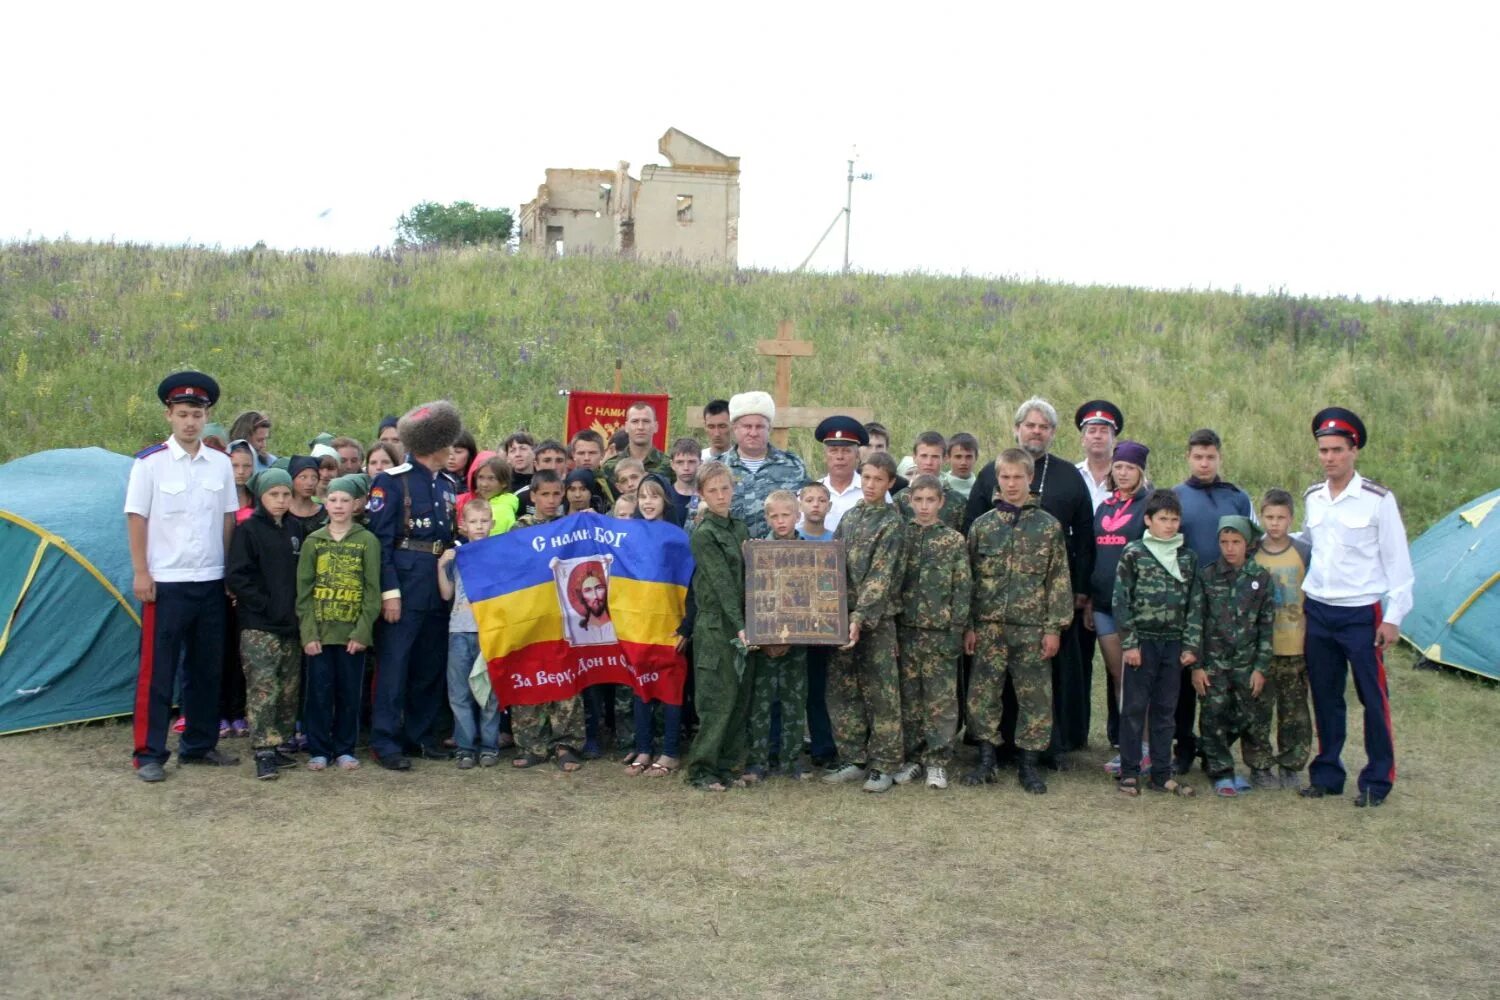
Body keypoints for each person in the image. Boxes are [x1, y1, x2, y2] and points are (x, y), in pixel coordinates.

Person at [963, 398, 1095, 762]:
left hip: (1036, 613)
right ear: (1017, 428)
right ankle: (989, 753)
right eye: (1029, 425)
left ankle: (1037, 755)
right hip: (990, 617)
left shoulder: (1068, 480)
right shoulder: (987, 493)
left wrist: (1073, 599)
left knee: (1037, 691)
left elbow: (1082, 538)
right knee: (986, 690)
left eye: (1043, 426)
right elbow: (970, 561)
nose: (1035, 431)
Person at [126, 372, 241, 781]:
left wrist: (228, 572)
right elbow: (136, 519)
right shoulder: (149, 464)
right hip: (166, 582)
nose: (191, 422)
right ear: (169, 416)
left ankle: (199, 744)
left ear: (206, 417)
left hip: (210, 579)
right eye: (183, 414)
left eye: (197, 414)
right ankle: (149, 753)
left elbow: (228, 520)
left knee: (206, 668)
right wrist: (142, 571)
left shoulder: (221, 464)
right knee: (158, 670)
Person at [1298, 408, 1413, 808]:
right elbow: (1308, 542)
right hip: (1319, 610)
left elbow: (1398, 562)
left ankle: (1377, 779)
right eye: (1323, 450)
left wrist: (1394, 616)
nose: (1329, 457)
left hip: (1361, 613)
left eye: (1337, 450)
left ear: (1354, 451)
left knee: (1371, 696)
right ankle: (1328, 773)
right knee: (1326, 696)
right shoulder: (1313, 497)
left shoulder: (1377, 500)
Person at [962, 450, 1072, 794]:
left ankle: (1029, 765)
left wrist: (1054, 627)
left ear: (1030, 480)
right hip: (988, 628)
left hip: (1031, 629)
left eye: (1018, 478)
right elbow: (969, 580)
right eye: (1005, 477)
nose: (1011, 484)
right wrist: (968, 625)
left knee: (1035, 699)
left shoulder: (1048, 527)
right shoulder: (983, 526)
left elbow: (1058, 581)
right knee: (983, 695)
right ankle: (986, 760)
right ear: (998, 480)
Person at [366, 400, 461, 770]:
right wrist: (389, 592)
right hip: (404, 587)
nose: (452, 449)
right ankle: (385, 741)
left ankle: (419, 736)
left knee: (428, 665)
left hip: (437, 586)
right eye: (448, 443)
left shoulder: (448, 485)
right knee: (394, 666)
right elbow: (382, 542)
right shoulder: (392, 482)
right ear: (434, 445)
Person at [1171, 428, 1255, 776]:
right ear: (1188, 458)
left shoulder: (1237, 497)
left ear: (1219, 458)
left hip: (1228, 603)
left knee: (1224, 680)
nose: (1204, 463)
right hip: (1186, 601)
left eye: (1210, 457)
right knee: (1184, 679)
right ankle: (1183, 744)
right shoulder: (1174, 496)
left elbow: (1252, 546)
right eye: (1198, 457)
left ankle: (1215, 746)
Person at [823, 451, 905, 793]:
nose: (871, 485)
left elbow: (880, 578)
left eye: (878, 480)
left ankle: (884, 765)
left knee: (881, 692)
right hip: (843, 618)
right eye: (867, 478)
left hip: (876, 621)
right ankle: (853, 758)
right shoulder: (851, 517)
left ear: (889, 484)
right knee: (843, 690)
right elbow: (832, 563)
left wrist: (859, 618)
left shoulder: (892, 522)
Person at [1112, 489, 1202, 797]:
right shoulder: (1135, 553)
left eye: (1174, 519)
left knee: (1166, 710)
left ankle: (1162, 773)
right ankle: (1129, 771)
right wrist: (1130, 644)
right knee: (1135, 709)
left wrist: (1190, 645)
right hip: (1143, 643)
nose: (1169, 525)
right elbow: (1121, 600)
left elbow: (1194, 605)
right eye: (1163, 519)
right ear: (1149, 520)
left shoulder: (1187, 558)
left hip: (1173, 644)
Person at [296, 474, 380, 772]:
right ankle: (319, 748)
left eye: (345, 500)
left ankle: (345, 747)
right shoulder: (313, 542)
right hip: (319, 633)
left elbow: (372, 591)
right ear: (324, 502)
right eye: (333, 500)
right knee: (318, 693)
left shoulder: (367, 541)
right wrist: (308, 633)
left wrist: (362, 631)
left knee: (349, 693)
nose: (339, 505)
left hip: (352, 635)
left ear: (357, 504)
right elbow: (303, 591)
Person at [225, 468, 304, 781]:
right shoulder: (248, 531)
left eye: (286, 494)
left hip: (292, 624)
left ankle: (281, 741)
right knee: (263, 687)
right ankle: (263, 750)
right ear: (261, 496)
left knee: (288, 688)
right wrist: (264, 605)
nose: (281, 500)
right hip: (259, 625)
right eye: (274, 494)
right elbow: (237, 576)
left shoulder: (296, 528)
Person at [682, 461, 754, 791]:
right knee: (716, 699)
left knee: (739, 698)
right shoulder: (704, 534)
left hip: (740, 623)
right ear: (701, 494)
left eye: (725, 488)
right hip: (715, 627)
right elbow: (723, 583)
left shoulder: (738, 528)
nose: (721, 495)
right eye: (712, 490)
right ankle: (701, 769)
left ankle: (729, 765)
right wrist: (740, 625)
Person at [895, 475, 971, 790]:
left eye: (931, 500)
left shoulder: (953, 540)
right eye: (919, 500)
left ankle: (937, 761)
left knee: (940, 700)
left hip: (940, 632)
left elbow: (962, 588)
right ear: (910, 501)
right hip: (906, 631)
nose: (924, 507)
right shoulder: (901, 537)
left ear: (941, 502)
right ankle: (913, 757)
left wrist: (957, 628)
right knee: (910, 698)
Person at [1196, 516, 1276, 797]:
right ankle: (1221, 771)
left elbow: (1266, 627)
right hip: (1214, 664)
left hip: (1246, 663)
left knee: (1246, 715)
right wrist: (1197, 666)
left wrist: (1260, 668)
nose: (1229, 548)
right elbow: (1197, 622)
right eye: (1224, 542)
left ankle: (1213, 754)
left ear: (1248, 543)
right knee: (1213, 715)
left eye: (1236, 542)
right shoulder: (1206, 576)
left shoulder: (1261, 578)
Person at [624, 475, 690, 778]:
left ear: (666, 500)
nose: (648, 502)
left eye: (654, 496)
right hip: (637, 628)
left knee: (670, 690)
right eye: (642, 497)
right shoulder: (627, 536)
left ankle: (671, 751)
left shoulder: (678, 537)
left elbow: (692, 585)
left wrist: (687, 627)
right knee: (641, 690)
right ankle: (644, 748)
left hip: (670, 627)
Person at [743, 490, 811, 782]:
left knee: (794, 702)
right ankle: (758, 760)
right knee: (761, 702)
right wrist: (765, 638)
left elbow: (816, 604)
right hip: (765, 643)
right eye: (774, 516)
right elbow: (750, 597)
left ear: (798, 515)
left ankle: (791, 758)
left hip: (797, 644)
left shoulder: (813, 553)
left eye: (786, 515)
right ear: (766, 517)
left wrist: (793, 637)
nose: (780, 521)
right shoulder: (756, 551)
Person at [1091, 440, 1151, 771]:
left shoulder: (1148, 506)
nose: (1123, 472)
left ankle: (1146, 746)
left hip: (1135, 606)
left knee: (1137, 677)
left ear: (1140, 470)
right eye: (1118, 467)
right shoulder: (1105, 506)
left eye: (1129, 467)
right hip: (1102, 604)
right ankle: (1129, 746)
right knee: (1118, 676)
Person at [1253, 488, 1314, 788]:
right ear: (1261, 516)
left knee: (1295, 710)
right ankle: (1260, 765)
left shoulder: (1303, 552)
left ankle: (1291, 763)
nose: (1275, 523)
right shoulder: (1254, 551)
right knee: (1259, 709)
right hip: (1261, 648)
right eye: (1269, 517)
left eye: (1281, 518)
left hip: (1295, 644)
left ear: (1292, 518)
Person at [438, 499, 503, 770]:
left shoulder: (500, 553)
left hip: (490, 632)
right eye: (473, 522)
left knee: (489, 693)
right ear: (463, 526)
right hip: (459, 630)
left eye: (484, 521)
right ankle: (465, 747)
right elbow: (446, 593)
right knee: (460, 692)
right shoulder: (456, 554)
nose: (479, 526)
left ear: (493, 524)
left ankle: (489, 746)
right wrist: (441, 565)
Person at [723, 390, 809, 540]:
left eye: (760, 427)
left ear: (770, 429)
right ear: (734, 428)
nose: (753, 433)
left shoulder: (793, 466)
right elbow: (696, 518)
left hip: (780, 555)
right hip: (731, 556)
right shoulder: (718, 467)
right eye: (747, 426)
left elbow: (807, 511)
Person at [895, 431, 966, 530]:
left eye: (935, 457)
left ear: (945, 459)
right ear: (914, 457)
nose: (929, 462)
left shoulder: (958, 501)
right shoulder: (899, 500)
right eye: (924, 456)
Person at [808, 416, 866, 533]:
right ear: (825, 456)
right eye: (833, 451)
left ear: (857, 456)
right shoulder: (809, 494)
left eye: (846, 450)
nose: (840, 457)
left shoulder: (872, 491)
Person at [1074, 400, 1124, 513]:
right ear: (1083, 439)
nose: (1097, 436)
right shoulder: (1072, 474)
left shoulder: (1126, 476)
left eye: (1104, 431)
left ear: (1114, 440)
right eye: (1092, 431)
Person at [602, 401, 670, 482]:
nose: (640, 427)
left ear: (656, 427)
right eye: (635, 421)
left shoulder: (670, 466)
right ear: (626, 427)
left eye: (646, 421)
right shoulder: (610, 466)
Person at [667, 437, 701, 523]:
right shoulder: (665, 497)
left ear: (701, 463)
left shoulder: (709, 496)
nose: (686, 468)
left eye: (691, 462)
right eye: (680, 462)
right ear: (672, 464)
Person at [941, 432, 980, 501]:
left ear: (976, 458)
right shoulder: (938, 488)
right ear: (948, 458)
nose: (963, 462)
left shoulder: (982, 490)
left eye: (968, 457)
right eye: (958, 457)